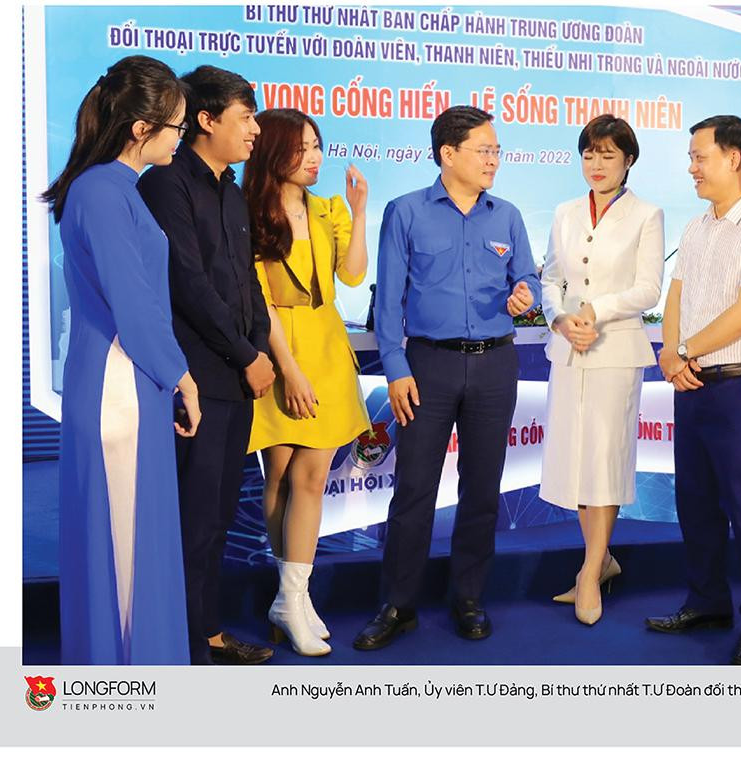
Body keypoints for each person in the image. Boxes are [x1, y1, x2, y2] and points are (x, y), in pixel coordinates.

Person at [353, 106, 540, 650]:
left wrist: (525, 294)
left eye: (497, 151)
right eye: (484, 150)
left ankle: (469, 598)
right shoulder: (406, 212)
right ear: (448, 154)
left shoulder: (507, 215)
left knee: (482, 488)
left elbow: (527, 278)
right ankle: (398, 604)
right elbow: (388, 300)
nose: (493, 160)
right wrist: (395, 368)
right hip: (427, 366)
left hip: (495, 363)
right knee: (414, 488)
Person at [43, 55, 201, 665]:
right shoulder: (103, 192)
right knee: (125, 551)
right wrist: (182, 376)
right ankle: (127, 687)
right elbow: (133, 305)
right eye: (177, 126)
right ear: (142, 128)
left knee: (128, 543)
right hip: (120, 391)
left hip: (126, 384)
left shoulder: (108, 190)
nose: (180, 138)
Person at [138, 65, 276, 665]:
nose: (255, 129)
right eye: (245, 117)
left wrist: (260, 348)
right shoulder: (166, 184)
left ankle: (207, 633)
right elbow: (186, 284)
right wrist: (246, 355)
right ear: (206, 119)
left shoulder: (232, 189)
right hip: (194, 380)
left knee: (218, 517)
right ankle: (183, 646)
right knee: (191, 520)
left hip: (238, 378)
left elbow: (246, 280)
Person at [646, 115, 741, 665]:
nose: (692, 168)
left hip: (739, 386)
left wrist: (685, 350)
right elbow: (676, 295)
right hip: (690, 383)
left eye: (699, 157)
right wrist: (671, 352)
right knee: (696, 502)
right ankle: (706, 601)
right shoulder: (697, 227)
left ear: (734, 159)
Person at [242, 109, 371, 655]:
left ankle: (293, 597)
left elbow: (353, 274)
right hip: (279, 350)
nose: (314, 157)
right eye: (302, 148)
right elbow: (260, 300)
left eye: (317, 145)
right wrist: (288, 370)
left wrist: (359, 212)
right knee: (279, 474)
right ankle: (289, 599)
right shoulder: (249, 212)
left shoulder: (327, 208)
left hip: (327, 345)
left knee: (312, 476)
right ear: (274, 152)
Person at [539, 115, 665, 625]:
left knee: (604, 461)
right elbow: (551, 279)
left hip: (615, 351)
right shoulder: (565, 212)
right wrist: (560, 318)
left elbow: (648, 288)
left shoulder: (647, 215)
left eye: (608, 155)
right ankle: (601, 558)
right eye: (589, 154)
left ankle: (589, 572)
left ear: (628, 160)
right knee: (575, 463)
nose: (596, 164)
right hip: (569, 350)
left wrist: (597, 310)